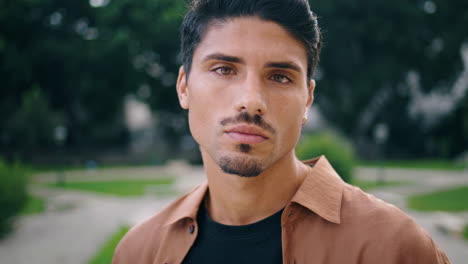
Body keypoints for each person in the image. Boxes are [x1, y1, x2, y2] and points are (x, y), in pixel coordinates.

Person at [112, 0, 450, 263]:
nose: (251, 101)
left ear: (308, 99)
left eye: (279, 77)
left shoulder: (392, 248)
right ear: (184, 87)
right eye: (224, 69)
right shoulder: (139, 252)